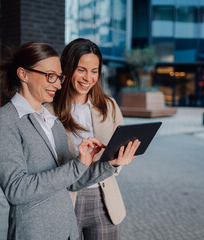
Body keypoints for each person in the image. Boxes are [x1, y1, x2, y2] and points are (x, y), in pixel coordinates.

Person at [0, 42, 140, 240]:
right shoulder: (5, 120)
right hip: (36, 231)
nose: (59, 85)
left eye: (59, 77)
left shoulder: (52, 122)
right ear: (23, 75)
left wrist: (110, 164)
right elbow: (16, 190)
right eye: (51, 76)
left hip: (67, 229)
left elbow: (72, 182)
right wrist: (77, 166)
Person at [51, 38, 127, 240]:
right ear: (67, 68)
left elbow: (117, 149)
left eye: (94, 71)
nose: (88, 78)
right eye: (81, 69)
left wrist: (119, 161)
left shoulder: (109, 106)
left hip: (104, 199)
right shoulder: (49, 109)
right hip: (65, 200)